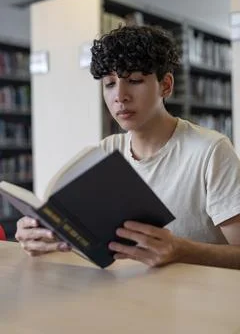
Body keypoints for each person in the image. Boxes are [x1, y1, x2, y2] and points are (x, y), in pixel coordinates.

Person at [15, 25, 240, 269]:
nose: (120, 96)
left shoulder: (211, 150)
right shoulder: (107, 151)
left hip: (198, 299)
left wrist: (181, 250)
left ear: (166, 85)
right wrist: (43, 233)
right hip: (128, 292)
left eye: (134, 80)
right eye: (110, 84)